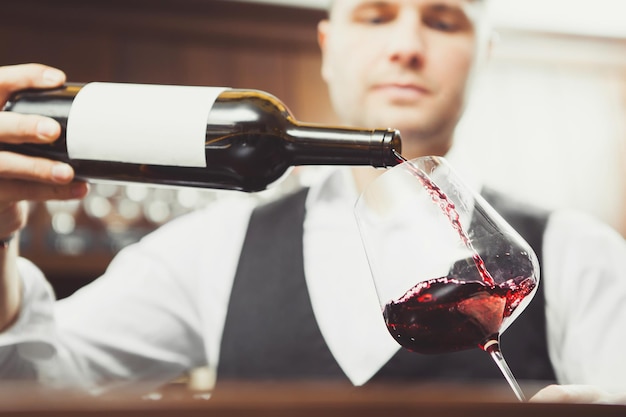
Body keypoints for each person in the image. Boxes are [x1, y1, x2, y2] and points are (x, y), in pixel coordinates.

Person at [1, 0, 625, 404]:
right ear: (327, 45)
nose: (406, 46)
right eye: (376, 16)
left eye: (442, 20)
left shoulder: (578, 252)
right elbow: (36, 385)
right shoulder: (215, 247)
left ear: (484, 53)